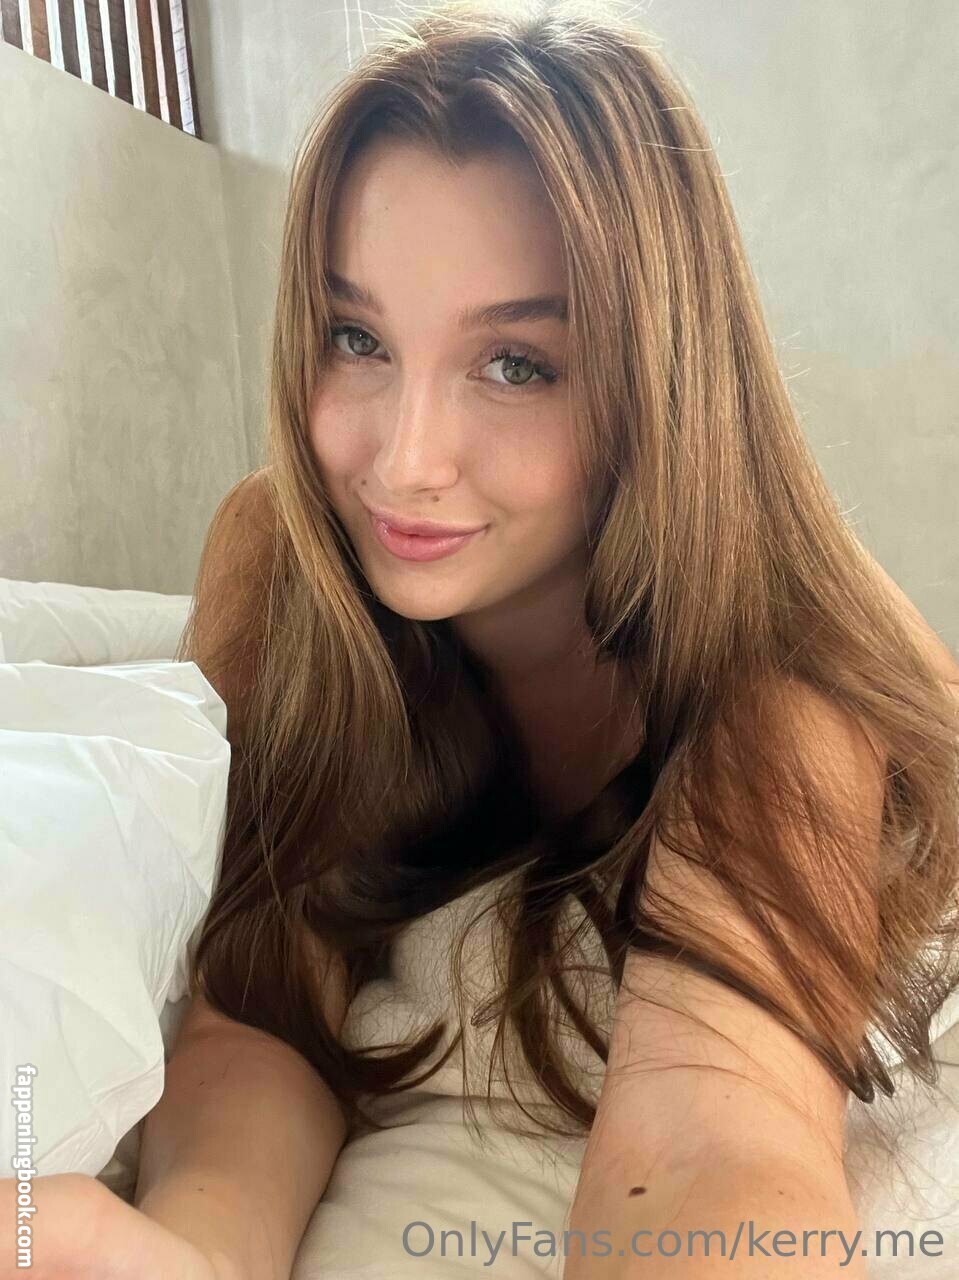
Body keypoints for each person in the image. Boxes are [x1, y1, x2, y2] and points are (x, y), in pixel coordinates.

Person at [4, 2, 958, 1277]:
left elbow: (717, 1139)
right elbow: (265, 995)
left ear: (657, 382)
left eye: (515, 363)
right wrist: (187, 1249)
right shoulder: (285, 556)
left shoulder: (784, 688)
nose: (404, 461)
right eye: (356, 339)